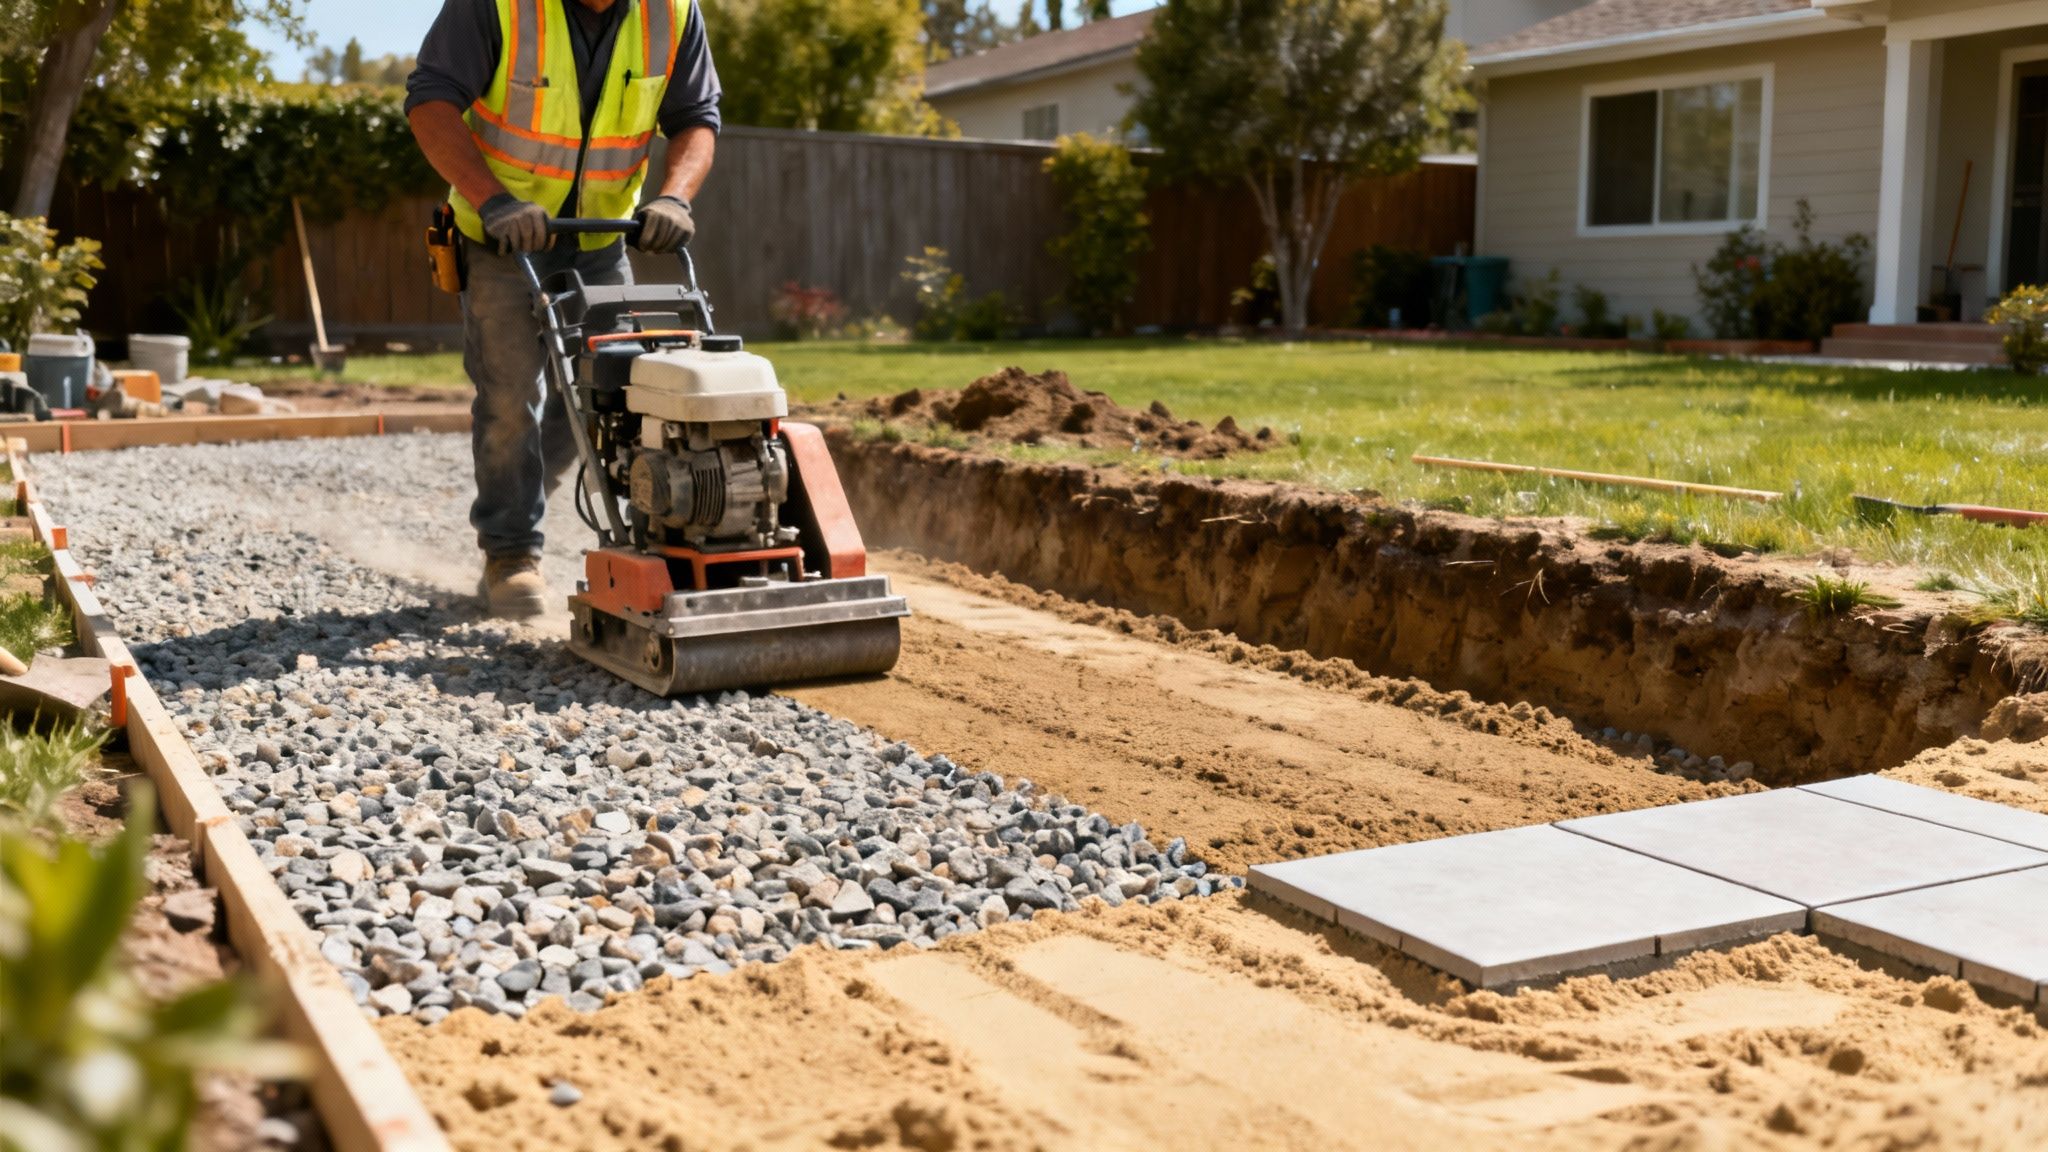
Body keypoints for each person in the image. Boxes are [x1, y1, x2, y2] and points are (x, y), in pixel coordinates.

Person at [405, 0, 720, 617]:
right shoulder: (496, 6)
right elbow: (430, 102)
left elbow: (696, 116)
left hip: (601, 238)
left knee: (606, 394)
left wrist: (675, 198)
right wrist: (491, 199)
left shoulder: (672, 13)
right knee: (510, 396)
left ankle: (636, 536)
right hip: (500, 236)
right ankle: (511, 553)